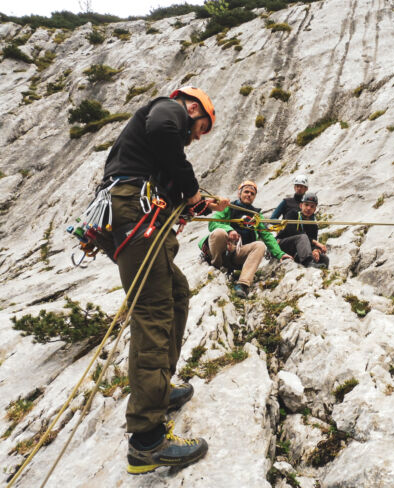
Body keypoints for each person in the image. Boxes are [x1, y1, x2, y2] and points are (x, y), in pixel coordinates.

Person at [102, 86, 228, 474]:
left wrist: (196, 201)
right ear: (193, 109)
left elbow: (167, 174)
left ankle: (158, 389)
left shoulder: (154, 153)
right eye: (199, 128)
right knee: (154, 313)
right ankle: (147, 441)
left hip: (139, 215)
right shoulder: (168, 110)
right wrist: (191, 190)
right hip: (134, 214)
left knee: (175, 293)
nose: (195, 137)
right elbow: (161, 131)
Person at [199, 180, 292, 298]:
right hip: (222, 249)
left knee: (260, 245)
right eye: (246, 192)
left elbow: (267, 236)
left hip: (237, 253)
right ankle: (216, 266)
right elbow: (213, 223)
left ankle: (242, 284)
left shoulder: (256, 215)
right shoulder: (228, 207)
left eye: (252, 194)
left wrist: (279, 254)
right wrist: (229, 230)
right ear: (239, 193)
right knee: (219, 232)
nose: (249, 195)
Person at [276, 192, 329, 268]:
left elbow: (311, 244)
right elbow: (292, 231)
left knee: (324, 258)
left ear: (315, 209)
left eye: (312, 206)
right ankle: (308, 262)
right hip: (283, 244)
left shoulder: (313, 225)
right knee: (302, 237)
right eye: (306, 205)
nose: (308, 208)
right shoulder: (292, 214)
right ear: (301, 205)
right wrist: (315, 242)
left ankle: (323, 273)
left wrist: (315, 250)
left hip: (300, 250)